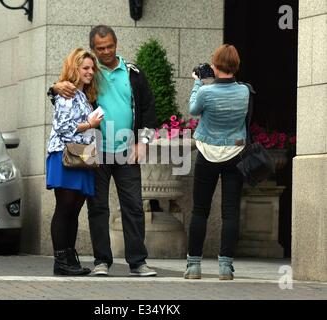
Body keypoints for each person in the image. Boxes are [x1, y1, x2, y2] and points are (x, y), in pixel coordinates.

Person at [49, 25, 158, 277]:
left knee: (133, 206)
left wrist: (143, 142)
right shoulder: (89, 72)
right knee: (97, 208)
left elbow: (149, 111)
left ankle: (138, 262)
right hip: (94, 153)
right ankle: (102, 261)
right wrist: (55, 87)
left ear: (116, 43)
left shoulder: (134, 74)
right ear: (93, 49)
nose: (106, 51)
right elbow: (63, 94)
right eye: (100, 48)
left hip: (127, 150)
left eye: (110, 46)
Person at [184, 44, 249, 280]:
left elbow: (193, 109)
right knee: (230, 212)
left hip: (207, 152)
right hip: (234, 153)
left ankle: (193, 266)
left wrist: (198, 82)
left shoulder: (205, 91)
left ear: (215, 64)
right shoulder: (244, 92)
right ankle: (225, 267)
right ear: (236, 66)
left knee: (200, 209)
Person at [46, 48, 103, 276]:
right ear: (75, 69)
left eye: (92, 68)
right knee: (64, 208)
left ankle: (70, 259)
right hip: (65, 155)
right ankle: (61, 261)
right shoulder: (67, 93)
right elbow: (64, 128)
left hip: (83, 155)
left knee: (74, 210)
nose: (90, 72)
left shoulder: (83, 95)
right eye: (85, 68)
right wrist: (90, 124)